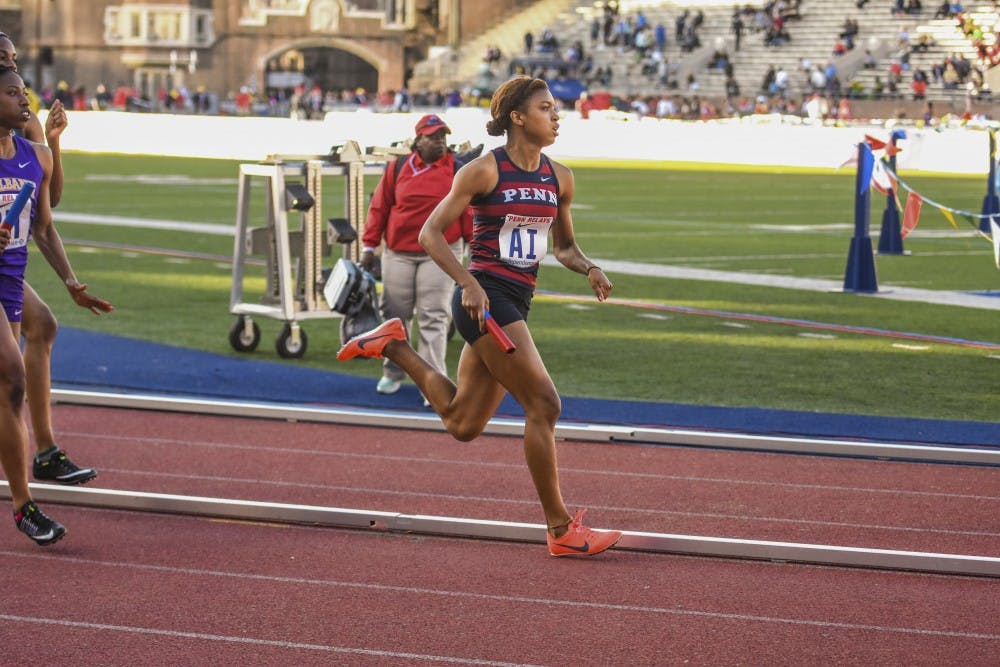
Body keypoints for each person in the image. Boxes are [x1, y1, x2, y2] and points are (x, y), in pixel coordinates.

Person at [337, 76, 622, 557]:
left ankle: (392, 345)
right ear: (517, 117)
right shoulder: (483, 171)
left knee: (462, 422)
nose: (557, 117)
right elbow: (431, 235)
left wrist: (589, 267)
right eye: (547, 109)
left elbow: (565, 248)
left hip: (516, 301)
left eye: (556, 110)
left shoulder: (561, 177)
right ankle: (560, 531)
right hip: (486, 300)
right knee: (545, 405)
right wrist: (467, 283)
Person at [0, 64, 112, 545]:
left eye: (23, 89)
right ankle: (23, 504)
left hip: (11, 277)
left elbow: (44, 225)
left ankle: (41, 456)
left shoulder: (34, 156)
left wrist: (71, 281)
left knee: (38, 333)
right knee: (11, 377)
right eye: (12, 91)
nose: (24, 97)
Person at [359, 113, 472, 399]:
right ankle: (393, 371)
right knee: (395, 315)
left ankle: (432, 383)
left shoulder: (457, 169)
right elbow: (379, 207)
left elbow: (468, 210)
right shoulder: (398, 168)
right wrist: (369, 246)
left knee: (433, 315)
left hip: (441, 252)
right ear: (418, 140)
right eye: (433, 137)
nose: (440, 142)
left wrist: (476, 247)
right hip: (398, 252)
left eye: (443, 137)